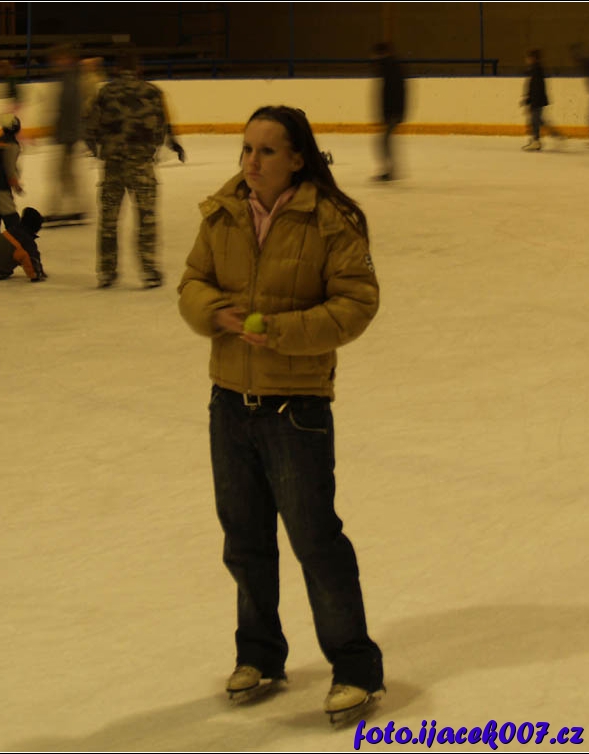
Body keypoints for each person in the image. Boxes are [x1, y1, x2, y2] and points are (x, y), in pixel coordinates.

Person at [177, 105, 384, 720]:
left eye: (266, 151)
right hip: (229, 402)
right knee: (244, 540)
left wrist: (284, 332)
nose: (252, 161)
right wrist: (212, 312)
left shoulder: (331, 220)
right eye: (246, 149)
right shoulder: (223, 211)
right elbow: (191, 282)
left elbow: (357, 303)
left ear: (297, 158)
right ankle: (260, 655)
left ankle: (355, 667)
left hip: (296, 408)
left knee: (315, 541)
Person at [84, 48, 167, 289]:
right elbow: (160, 128)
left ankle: (107, 271)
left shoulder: (105, 93)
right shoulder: (152, 92)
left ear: (116, 68)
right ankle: (149, 270)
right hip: (142, 165)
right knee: (146, 219)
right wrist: (150, 149)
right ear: (138, 68)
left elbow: (89, 127)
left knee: (109, 221)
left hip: (113, 165)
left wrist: (100, 151)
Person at [44, 44, 86, 224]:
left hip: (68, 136)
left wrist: (68, 137)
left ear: (67, 59)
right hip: (66, 135)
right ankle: (76, 208)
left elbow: (71, 111)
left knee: (62, 173)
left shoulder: (70, 81)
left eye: (58, 59)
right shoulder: (67, 78)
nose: (54, 63)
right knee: (66, 174)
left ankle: (61, 209)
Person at [372, 42, 406, 180]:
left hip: (392, 111)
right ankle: (390, 170)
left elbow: (390, 93)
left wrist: (388, 113)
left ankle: (391, 171)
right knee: (385, 141)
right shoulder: (392, 67)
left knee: (384, 142)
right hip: (394, 111)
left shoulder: (390, 68)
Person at [520, 49, 564, 151]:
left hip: (537, 101)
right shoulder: (535, 70)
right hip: (537, 100)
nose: (526, 60)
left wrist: (531, 101)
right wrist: (528, 99)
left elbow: (536, 88)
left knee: (535, 121)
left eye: (528, 58)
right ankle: (551, 136)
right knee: (537, 121)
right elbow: (533, 87)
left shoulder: (536, 70)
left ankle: (536, 141)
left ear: (533, 58)